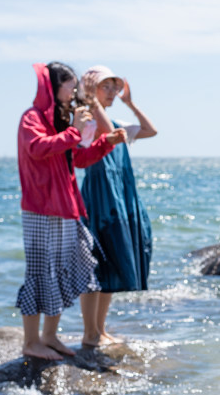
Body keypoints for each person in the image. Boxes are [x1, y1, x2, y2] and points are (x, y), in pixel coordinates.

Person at [16, 62, 126, 360]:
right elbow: (38, 148)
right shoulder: (32, 118)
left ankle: (49, 336)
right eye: (70, 85)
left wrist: (106, 142)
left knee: (74, 266)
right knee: (41, 272)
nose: (75, 91)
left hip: (66, 206)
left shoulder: (60, 119)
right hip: (41, 207)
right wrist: (74, 130)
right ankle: (30, 341)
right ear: (52, 87)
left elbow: (77, 159)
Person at [78, 65, 158, 347]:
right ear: (91, 90)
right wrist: (89, 99)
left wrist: (130, 102)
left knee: (112, 262)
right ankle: (89, 333)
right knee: (94, 266)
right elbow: (105, 131)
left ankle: (100, 329)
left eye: (115, 87)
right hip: (99, 198)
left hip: (121, 199)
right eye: (106, 87)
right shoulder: (88, 120)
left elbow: (151, 130)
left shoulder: (118, 122)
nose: (112, 92)